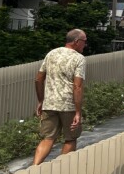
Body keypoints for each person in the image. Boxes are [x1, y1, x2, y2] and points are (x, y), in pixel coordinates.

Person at [32, 29, 87, 165]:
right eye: (84, 42)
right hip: (68, 105)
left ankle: (34, 167)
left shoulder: (51, 54)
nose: (85, 45)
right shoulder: (79, 58)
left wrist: (41, 101)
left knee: (48, 138)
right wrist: (78, 112)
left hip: (49, 103)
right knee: (70, 138)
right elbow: (77, 87)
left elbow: (39, 79)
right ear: (76, 42)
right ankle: (60, 168)